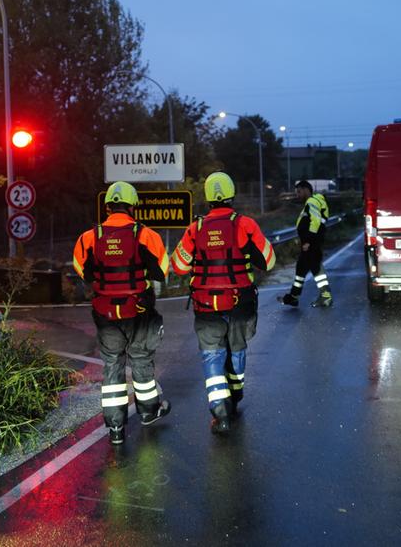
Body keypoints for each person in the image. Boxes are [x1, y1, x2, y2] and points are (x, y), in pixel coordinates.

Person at [171, 172, 275, 434]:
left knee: (212, 355)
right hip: (240, 303)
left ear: (207, 199)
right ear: (231, 195)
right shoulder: (245, 225)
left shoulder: (195, 229)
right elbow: (269, 261)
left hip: (206, 305)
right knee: (237, 349)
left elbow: (179, 266)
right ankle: (235, 394)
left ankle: (220, 411)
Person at [73, 181, 171, 445]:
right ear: (133, 206)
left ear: (107, 207)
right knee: (140, 359)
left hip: (105, 312)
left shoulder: (89, 237)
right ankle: (149, 412)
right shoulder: (146, 235)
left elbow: (83, 271)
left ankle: (115, 428)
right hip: (138, 309)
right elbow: (162, 269)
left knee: (113, 365)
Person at [280, 180, 333, 308]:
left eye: (299, 192)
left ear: (305, 190)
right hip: (311, 241)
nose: (297, 195)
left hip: (311, 242)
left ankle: (326, 297)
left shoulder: (312, 202)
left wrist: (308, 241)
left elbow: (314, 222)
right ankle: (293, 296)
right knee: (301, 269)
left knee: (316, 269)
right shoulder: (313, 202)